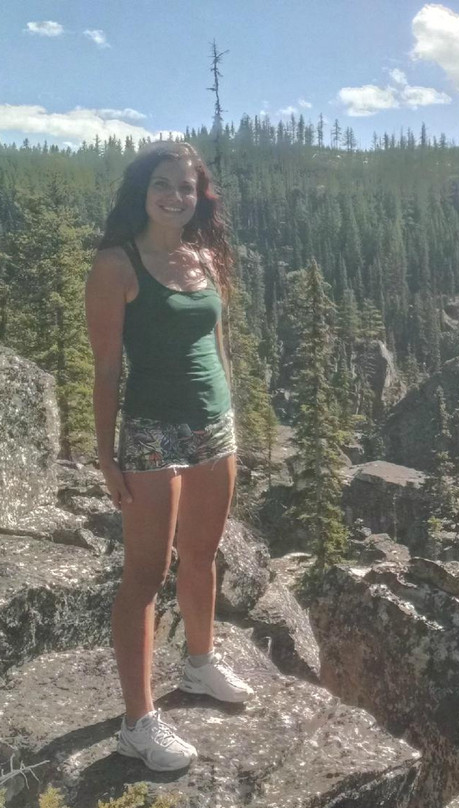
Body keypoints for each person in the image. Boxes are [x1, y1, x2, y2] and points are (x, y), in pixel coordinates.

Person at [86, 140, 254, 773]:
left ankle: (200, 663)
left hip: (215, 427)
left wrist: (230, 410)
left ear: (198, 197)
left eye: (187, 188)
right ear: (142, 189)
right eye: (163, 184)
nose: (175, 196)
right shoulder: (116, 265)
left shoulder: (204, 258)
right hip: (151, 432)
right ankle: (138, 722)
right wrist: (107, 455)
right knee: (145, 576)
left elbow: (217, 341)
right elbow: (106, 370)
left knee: (204, 554)